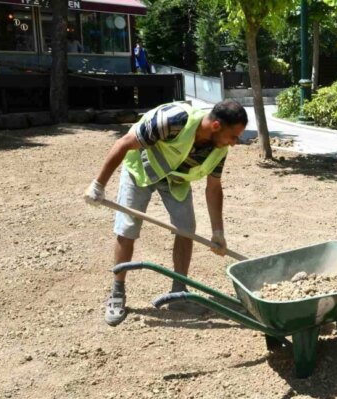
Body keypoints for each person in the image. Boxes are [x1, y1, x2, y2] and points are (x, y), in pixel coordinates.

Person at [84, 100, 248, 326]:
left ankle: (178, 294)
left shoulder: (219, 148)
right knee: (127, 229)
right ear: (216, 126)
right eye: (234, 136)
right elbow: (123, 144)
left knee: (186, 230)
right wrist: (98, 185)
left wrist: (218, 231)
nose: (235, 143)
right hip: (141, 169)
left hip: (175, 181)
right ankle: (117, 293)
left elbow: (213, 188)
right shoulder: (173, 120)